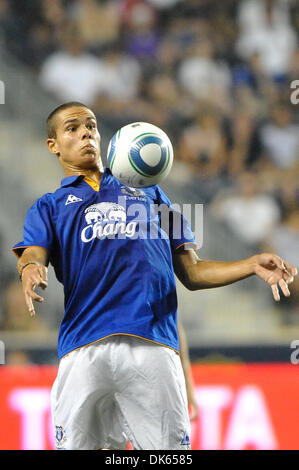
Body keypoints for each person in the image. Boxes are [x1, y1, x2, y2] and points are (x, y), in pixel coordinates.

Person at [12, 102, 297, 450]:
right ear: (52, 144)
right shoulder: (49, 206)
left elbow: (192, 271)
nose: (86, 132)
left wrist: (250, 265)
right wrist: (29, 267)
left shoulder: (154, 194)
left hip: (151, 346)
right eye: (72, 128)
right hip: (82, 349)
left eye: (92, 126)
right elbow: (33, 251)